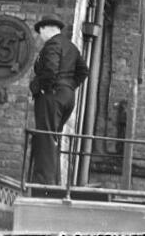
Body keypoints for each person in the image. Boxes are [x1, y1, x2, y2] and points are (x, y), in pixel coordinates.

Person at [28, 14, 89, 187]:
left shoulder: (52, 44)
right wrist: (68, 87)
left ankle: (43, 184)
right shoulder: (71, 47)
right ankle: (53, 182)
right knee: (53, 138)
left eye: (40, 33)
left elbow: (50, 69)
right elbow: (83, 71)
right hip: (67, 98)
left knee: (46, 138)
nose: (40, 37)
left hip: (51, 96)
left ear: (45, 29)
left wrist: (44, 87)